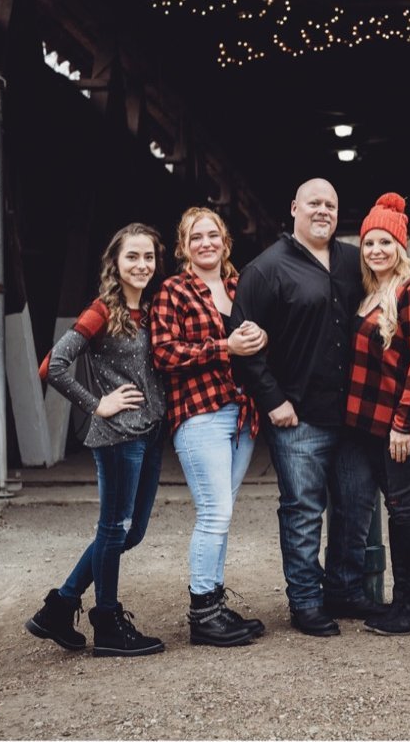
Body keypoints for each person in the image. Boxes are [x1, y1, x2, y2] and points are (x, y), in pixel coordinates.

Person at [230, 178, 386, 637]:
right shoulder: (265, 270)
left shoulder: (353, 261)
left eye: (331, 205)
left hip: (354, 413)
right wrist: (273, 399)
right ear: (294, 207)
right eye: (314, 203)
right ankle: (305, 602)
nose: (323, 210)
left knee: (356, 506)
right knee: (302, 510)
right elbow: (245, 345)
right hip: (297, 416)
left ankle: (344, 590)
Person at [25, 222, 167, 657]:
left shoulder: (154, 307)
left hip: (152, 431)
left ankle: (61, 605)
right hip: (120, 436)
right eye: (132, 257)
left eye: (148, 257)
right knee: (114, 528)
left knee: (132, 531)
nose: (142, 265)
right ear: (115, 263)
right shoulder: (103, 310)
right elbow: (53, 365)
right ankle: (107, 622)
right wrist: (97, 403)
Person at [150, 206, 267, 648]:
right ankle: (202, 614)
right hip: (199, 413)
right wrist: (225, 347)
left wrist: (260, 339)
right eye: (196, 237)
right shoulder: (173, 291)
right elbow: (163, 353)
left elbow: (259, 337)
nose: (205, 243)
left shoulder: (240, 287)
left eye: (212, 235)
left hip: (241, 414)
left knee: (224, 512)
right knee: (214, 513)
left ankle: (216, 604)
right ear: (184, 245)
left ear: (225, 241)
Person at [342, 193, 410, 635]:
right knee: (398, 507)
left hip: (408, 425)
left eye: (385, 242)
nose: (376, 250)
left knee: (406, 510)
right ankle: (403, 600)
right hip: (377, 426)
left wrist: (401, 422)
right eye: (369, 243)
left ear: (400, 247)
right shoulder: (372, 292)